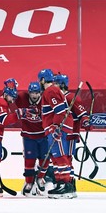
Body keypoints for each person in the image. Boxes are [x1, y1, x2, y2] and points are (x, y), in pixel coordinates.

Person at [0, 80, 35, 197]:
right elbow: (4, 120)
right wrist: (20, 113)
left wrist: (20, 113)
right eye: (11, 97)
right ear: (5, 94)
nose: (13, 100)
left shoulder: (4, 104)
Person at [7, 80, 49, 197]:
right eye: (32, 93)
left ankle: (40, 178)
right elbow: (9, 98)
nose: (34, 95)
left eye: (36, 93)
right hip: (28, 135)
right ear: (29, 93)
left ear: (40, 93)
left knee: (45, 160)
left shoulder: (46, 100)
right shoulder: (22, 97)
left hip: (43, 135)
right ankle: (29, 182)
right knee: (29, 160)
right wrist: (11, 90)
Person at [53, 73, 92, 197]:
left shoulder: (70, 97)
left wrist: (86, 121)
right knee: (60, 158)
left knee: (66, 158)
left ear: (62, 84)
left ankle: (68, 184)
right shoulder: (58, 97)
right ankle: (63, 183)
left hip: (70, 133)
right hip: (62, 132)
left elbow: (82, 112)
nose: (53, 85)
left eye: (56, 83)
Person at [38, 68, 74, 199]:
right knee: (56, 157)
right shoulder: (52, 91)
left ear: (42, 80)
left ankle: (65, 185)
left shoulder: (50, 90)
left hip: (57, 128)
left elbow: (59, 110)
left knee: (60, 156)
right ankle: (61, 183)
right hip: (56, 128)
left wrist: (56, 126)